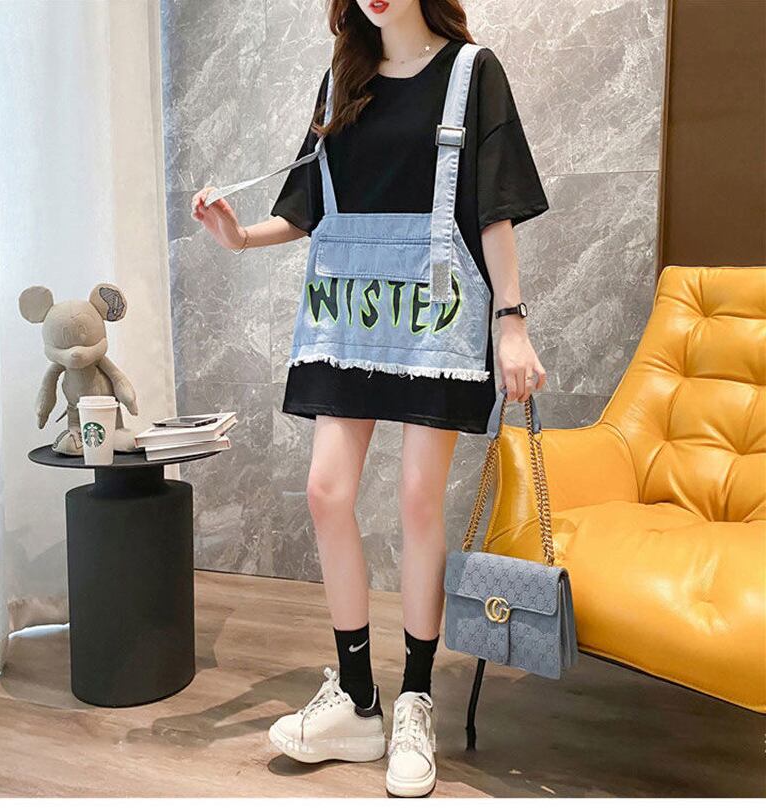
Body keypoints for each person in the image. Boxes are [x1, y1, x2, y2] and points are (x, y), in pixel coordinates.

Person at [191, 0, 548, 797]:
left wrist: (512, 322)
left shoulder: (472, 73)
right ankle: (357, 700)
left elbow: (492, 209)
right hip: (349, 313)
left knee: (419, 498)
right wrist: (239, 236)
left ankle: (415, 698)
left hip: (433, 313)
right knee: (327, 491)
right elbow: (306, 208)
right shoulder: (340, 82)